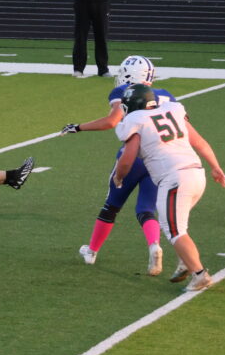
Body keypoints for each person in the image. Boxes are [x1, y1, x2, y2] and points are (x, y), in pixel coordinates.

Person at [60, 55, 175, 276]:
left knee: (112, 205)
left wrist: (78, 127)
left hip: (132, 155)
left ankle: (92, 251)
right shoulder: (166, 95)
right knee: (146, 208)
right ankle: (154, 245)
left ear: (132, 74)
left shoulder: (124, 91)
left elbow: (111, 121)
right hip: (159, 157)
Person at [113, 84, 225, 291]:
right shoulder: (172, 110)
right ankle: (186, 262)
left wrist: (119, 177)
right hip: (196, 174)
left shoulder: (135, 119)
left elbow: (127, 159)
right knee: (178, 225)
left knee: (175, 230)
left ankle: (199, 274)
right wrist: (215, 166)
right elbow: (199, 141)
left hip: (175, 179)